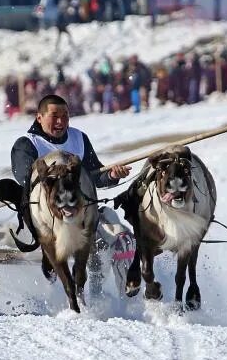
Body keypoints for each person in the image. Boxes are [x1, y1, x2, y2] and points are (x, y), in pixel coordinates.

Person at [9, 94, 134, 297]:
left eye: (65, 116)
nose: (61, 121)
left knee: (122, 239)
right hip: (46, 219)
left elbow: (95, 176)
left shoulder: (79, 139)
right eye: (54, 116)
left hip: (83, 213)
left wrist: (111, 175)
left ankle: (112, 294)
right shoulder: (27, 144)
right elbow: (25, 178)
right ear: (39, 117)